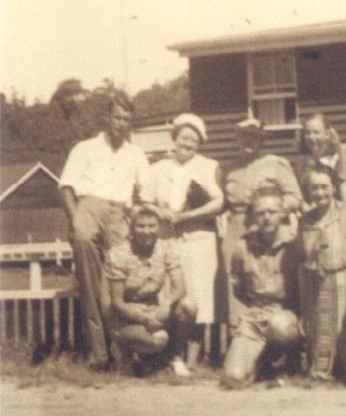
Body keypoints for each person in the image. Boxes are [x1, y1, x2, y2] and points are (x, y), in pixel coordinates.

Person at [58, 91, 155, 370]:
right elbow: (66, 187)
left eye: (126, 119)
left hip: (119, 213)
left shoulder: (136, 154)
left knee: (120, 284)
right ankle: (99, 355)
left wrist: (134, 213)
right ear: (107, 118)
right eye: (117, 117)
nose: (121, 124)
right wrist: (77, 220)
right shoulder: (85, 148)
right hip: (89, 206)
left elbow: (146, 194)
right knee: (90, 283)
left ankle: (127, 352)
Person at [151, 113, 224, 369]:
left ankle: (192, 358)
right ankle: (170, 354)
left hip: (198, 239)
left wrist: (190, 215)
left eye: (194, 140)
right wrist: (160, 211)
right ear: (174, 138)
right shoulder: (157, 168)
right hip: (166, 238)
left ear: (200, 143)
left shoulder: (208, 166)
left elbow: (218, 202)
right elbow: (145, 200)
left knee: (198, 297)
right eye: (184, 137)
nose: (188, 144)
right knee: (169, 294)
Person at [222, 118, 302, 325]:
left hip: (266, 228)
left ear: (262, 141)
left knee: (268, 278)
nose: (248, 141)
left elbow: (295, 197)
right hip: (236, 228)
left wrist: (271, 210)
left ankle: (279, 332)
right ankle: (239, 330)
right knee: (235, 281)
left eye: (254, 137)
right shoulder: (230, 168)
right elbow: (222, 203)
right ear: (237, 139)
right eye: (244, 137)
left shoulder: (275, 164)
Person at [222, 186, 302, 386]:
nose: (266, 218)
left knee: (279, 326)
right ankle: (263, 363)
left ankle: (286, 360)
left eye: (272, 212)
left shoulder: (294, 245)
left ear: (282, 213)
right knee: (233, 378)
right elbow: (237, 290)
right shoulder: (242, 247)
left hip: (285, 316)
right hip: (255, 317)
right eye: (260, 213)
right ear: (253, 216)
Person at [295, 165, 346, 380]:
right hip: (316, 284)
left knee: (345, 336)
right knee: (318, 330)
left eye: (324, 187)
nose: (320, 193)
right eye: (314, 188)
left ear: (334, 188)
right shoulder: (305, 221)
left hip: (345, 281)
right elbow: (302, 257)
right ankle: (320, 371)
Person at [105, 205, 196, 377]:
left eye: (152, 226)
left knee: (188, 306)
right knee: (157, 340)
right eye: (141, 226)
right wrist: (144, 319)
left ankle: (174, 358)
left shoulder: (166, 248)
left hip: (154, 310)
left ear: (159, 227)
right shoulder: (118, 253)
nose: (147, 231)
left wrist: (166, 304)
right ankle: (125, 352)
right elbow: (117, 303)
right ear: (131, 227)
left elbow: (180, 287)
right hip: (126, 317)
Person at [292, 113, 346, 203]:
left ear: (327, 134)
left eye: (316, 132)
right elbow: (300, 191)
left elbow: (344, 183)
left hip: (336, 205)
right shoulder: (302, 160)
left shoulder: (337, 154)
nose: (311, 137)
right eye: (307, 133)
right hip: (312, 206)